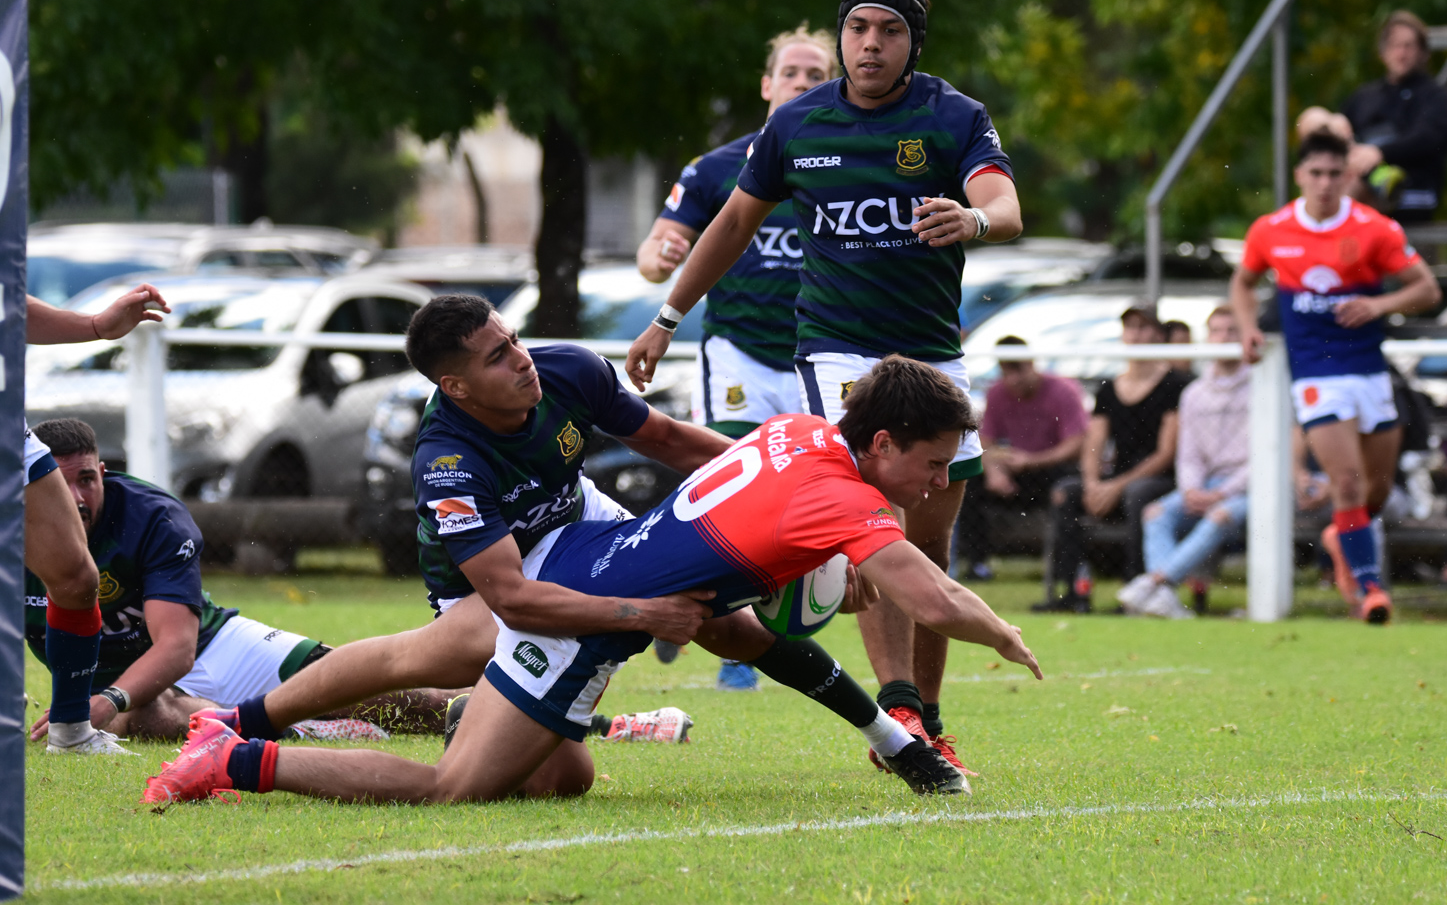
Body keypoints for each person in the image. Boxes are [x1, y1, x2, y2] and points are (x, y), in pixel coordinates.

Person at [142, 357, 1043, 806]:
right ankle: (233, 754)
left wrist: (812, 556)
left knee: (574, 770)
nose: (936, 483)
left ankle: (897, 743)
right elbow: (930, 597)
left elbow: (742, 488)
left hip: (595, 542)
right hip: (561, 602)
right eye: (931, 463)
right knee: (455, 778)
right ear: (881, 444)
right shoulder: (446, 454)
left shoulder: (803, 433)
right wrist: (1001, 632)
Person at [218, 296, 926, 784]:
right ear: (456, 387)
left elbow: (669, 439)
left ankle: (889, 737)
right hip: (491, 577)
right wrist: (643, 616)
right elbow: (513, 598)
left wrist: (800, 497)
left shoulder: (566, 368)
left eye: (514, 340)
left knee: (730, 627)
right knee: (476, 687)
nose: (521, 360)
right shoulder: (448, 461)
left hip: (577, 518)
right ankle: (243, 723)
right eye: (497, 357)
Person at [625, 0, 1022, 776]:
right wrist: (667, 317)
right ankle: (899, 710)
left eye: (890, 31)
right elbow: (733, 224)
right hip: (838, 350)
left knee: (932, 538)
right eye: (858, 29)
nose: (870, 44)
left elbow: (1007, 207)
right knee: (876, 523)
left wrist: (974, 219)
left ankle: (928, 714)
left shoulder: (953, 117)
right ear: (844, 35)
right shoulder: (801, 124)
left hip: (933, 352)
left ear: (913, 43)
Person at [636, 24, 837, 690]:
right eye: (791, 73)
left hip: (816, 359)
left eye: (815, 76)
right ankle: (724, 635)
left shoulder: (842, 164)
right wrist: (658, 256)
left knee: (805, 498)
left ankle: (699, 606)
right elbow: (658, 246)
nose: (802, 84)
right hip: (739, 356)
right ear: (766, 84)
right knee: (732, 487)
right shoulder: (718, 168)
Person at [22, 419, 400, 742]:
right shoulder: (13, 539)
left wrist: (106, 702)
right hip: (117, 683)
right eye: (60, 485)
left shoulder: (152, 516)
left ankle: (457, 705)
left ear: (102, 474)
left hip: (212, 646)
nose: (76, 499)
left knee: (392, 698)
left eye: (86, 480)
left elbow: (176, 648)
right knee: (142, 713)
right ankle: (298, 731)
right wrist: (104, 700)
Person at [1231, 131, 1441, 623]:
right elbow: (1242, 282)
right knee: (1345, 483)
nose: (1325, 183)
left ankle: (1341, 537)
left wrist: (1378, 304)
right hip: (1315, 374)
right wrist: (1246, 329)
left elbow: (1427, 289)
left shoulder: (1375, 228)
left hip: (1369, 370)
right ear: (1300, 176)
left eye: (1335, 174)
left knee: (1375, 490)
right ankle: (1371, 589)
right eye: (1316, 173)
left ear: (1348, 177)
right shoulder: (1271, 229)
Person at [23, 283, 172, 754]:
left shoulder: (152, 513)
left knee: (74, 575)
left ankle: (71, 730)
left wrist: (94, 326)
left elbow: (9, 307)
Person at [1038, 305, 1190, 613]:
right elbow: (1094, 443)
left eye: (1144, 327)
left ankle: (1134, 589)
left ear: (1159, 337)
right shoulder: (1110, 388)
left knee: (1138, 496)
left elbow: (1166, 452)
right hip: (1117, 479)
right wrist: (1093, 483)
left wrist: (1116, 486)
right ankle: (1070, 591)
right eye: (1131, 327)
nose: (1137, 334)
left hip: (1158, 480)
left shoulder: (1175, 385)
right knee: (1065, 492)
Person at [1119, 306, 1249, 618]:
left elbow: (1265, 459)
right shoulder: (1194, 393)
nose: (1224, 338)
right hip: (1206, 487)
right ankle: (1163, 597)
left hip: (1249, 490)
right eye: (1217, 331)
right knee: (1155, 513)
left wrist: (1222, 493)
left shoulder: (1263, 386)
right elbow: (1188, 454)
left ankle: (1154, 583)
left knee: (1219, 516)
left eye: (1232, 331)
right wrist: (1191, 489)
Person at [957, 336, 1087, 576]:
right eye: (1007, 370)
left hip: (1053, 470)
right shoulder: (997, 392)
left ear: (1031, 363)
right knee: (967, 482)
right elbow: (984, 442)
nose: (1013, 379)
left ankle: (1066, 570)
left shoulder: (1063, 390)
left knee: (1066, 488)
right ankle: (978, 564)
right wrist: (995, 471)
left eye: (1018, 369)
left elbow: (1076, 444)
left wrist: (1031, 461)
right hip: (1014, 471)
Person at [1341, 11, 1447, 224]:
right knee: (1318, 120)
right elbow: (1342, 129)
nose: (1401, 53)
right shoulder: (1364, 96)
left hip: (1413, 191)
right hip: (1362, 182)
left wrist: (1380, 153)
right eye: (1395, 45)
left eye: (1409, 46)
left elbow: (1429, 138)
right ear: (1382, 52)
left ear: (1423, 52)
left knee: (1345, 195)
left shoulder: (1436, 95)